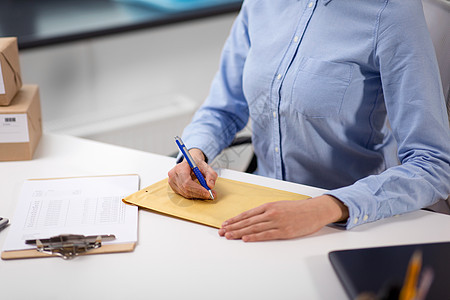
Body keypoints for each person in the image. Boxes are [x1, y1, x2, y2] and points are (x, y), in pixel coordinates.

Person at [168, 0, 450, 242]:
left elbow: (433, 163)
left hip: (350, 222)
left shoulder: (391, 11)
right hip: (256, 208)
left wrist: (325, 207)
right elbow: (223, 107)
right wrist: (194, 154)